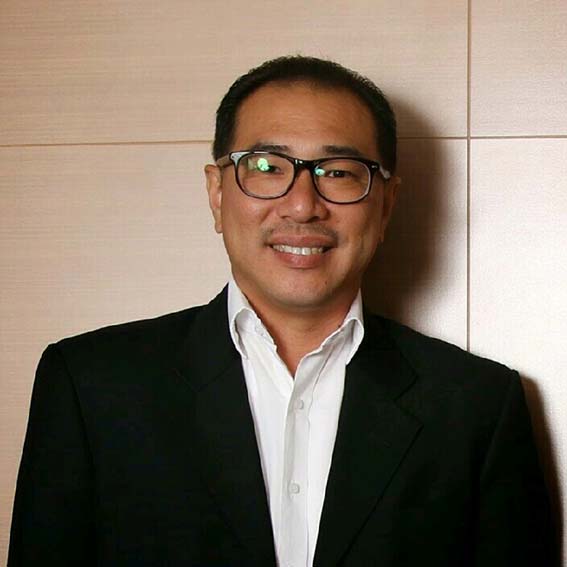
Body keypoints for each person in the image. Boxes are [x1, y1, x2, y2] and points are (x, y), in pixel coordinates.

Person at [8, 56, 555, 566]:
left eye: (338, 172)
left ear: (386, 205)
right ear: (217, 193)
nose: (302, 205)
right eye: (267, 166)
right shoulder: (91, 386)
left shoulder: (478, 406)